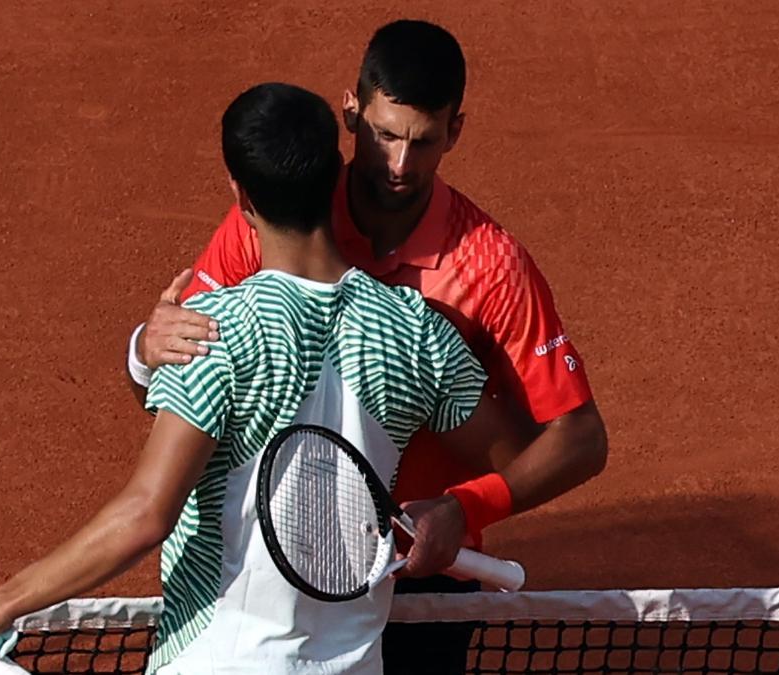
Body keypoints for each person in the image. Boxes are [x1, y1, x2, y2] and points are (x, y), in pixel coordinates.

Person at [0, 82, 520, 674]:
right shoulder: (417, 331)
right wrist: (457, 511)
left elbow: (147, 514)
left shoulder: (214, 334)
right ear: (335, 173)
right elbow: (516, 457)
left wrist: (0, 603)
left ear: (242, 196)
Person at [125, 20, 609, 674]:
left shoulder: (491, 267)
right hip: (280, 556)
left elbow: (579, 437)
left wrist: (467, 505)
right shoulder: (281, 214)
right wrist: (145, 349)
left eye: (424, 141)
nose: (401, 165)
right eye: (385, 135)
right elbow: (179, 372)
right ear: (351, 114)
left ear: (454, 132)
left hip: (419, 571)